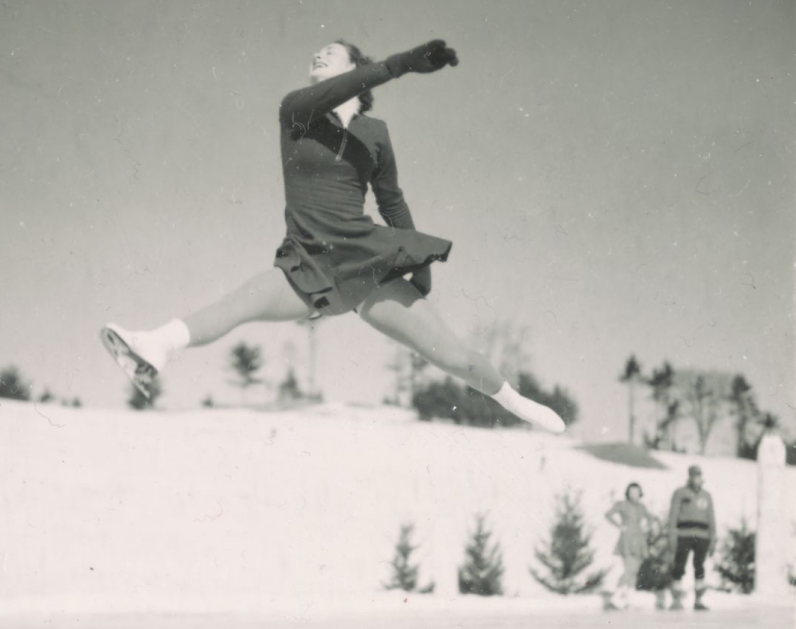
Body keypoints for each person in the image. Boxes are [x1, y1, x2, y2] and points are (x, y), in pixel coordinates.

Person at [102, 39, 565, 434]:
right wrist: (399, 64)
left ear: (355, 68)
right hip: (308, 263)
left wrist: (416, 266)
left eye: (330, 53)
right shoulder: (297, 111)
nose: (317, 56)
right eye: (315, 55)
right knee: (238, 304)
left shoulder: (375, 134)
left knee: (451, 354)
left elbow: (392, 202)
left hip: (365, 262)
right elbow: (342, 89)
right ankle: (154, 345)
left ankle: (515, 403)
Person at [603, 482, 660, 610]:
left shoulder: (641, 507)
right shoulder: (622, 505)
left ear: (640, 493)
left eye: (636, 491)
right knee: (629, 568)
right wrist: (619, 526)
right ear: (627, 493)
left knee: (635, 569)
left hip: (639, 539)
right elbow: (608, 514)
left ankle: (627, 597)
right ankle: (617, 596)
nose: (634, 494)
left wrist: (647, 527)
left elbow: (650, 518)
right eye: (631, 491)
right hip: (627, 538)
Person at [667, 465, 716, 611]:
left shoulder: (706, 496)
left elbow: (711, 518)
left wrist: (713, 538)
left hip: (702, 536)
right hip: (684, 535)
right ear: (689, 477)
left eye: (699, 476)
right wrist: (671, 534)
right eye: (694, 476)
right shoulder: (680, 493)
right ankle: (676, 598)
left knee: (699, 566)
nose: (697, 479)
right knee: (679, 565)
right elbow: (673, 515)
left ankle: (699, 599)